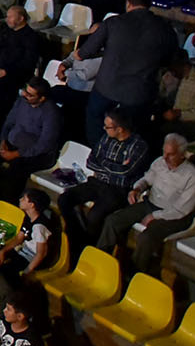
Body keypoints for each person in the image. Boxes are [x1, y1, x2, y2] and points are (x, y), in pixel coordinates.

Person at [65, 0, 179, 146]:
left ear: (128, 4)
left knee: (95, 117)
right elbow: (169, 61)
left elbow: (84, 53)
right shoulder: (165, 29)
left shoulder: (113, 23)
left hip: (107, 87)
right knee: (134, 129)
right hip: (139, 92)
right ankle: (126, 159)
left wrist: (74, 57)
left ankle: (99, 152)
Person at [97, 133, 195, 274]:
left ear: (182, 154)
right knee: (113, 220)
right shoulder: (160, 162)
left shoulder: (194, 177)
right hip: (151, 203)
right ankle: (100, 263)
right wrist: (137, 189)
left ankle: (133, 275)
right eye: (164, 152)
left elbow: (181, 210)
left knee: (146, 238)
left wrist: (155, 216)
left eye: (170, 154)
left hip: (175, 216)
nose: (165, 157)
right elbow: (147, 179)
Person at [60, 108, 151, 254]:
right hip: (97, 183)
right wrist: (115, 166)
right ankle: (76, 236)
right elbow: (90, 162)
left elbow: (125, 172)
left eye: (107, 126)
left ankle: (85, 250)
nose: (104, 129)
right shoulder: (106, 138)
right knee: (65, 199)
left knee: (95, 216)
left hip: (117, 190)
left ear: (120, 129)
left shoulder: (139, 146)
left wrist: (104, 164)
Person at [0, 189, 61, 280]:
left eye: (24, 199)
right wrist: (2, 251)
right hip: (22, 250)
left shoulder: (39, 227)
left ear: (31, 205)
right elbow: (19, 238)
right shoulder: (28, 217)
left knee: (5, 274)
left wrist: (26, 272)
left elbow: (41, 254)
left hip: (30, 258)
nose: (20, 200)